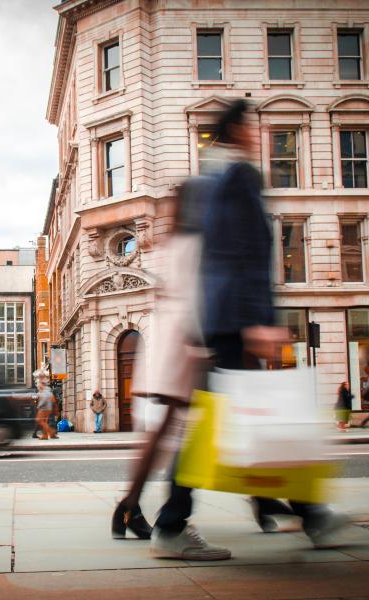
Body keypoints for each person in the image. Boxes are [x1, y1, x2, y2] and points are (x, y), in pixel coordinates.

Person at [150, 99, 347, 559]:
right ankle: (173, 524)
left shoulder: (211, 179)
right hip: (238, 321)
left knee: (233, 421)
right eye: (254, 127)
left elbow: (212, 258)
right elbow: (245, 253)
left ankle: (310, 513)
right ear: (238, 131)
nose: (259, 136)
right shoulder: (239, 178)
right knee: (229, 424)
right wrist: (260, 320)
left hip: (220, 320)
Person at [111, 179, 211, 542]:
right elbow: (195, 300)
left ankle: (128, 508)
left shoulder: (177, 241)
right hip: (183, 345)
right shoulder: (196, 243)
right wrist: (202, 350)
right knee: (175, 436)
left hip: (169, 344)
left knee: (163, 436)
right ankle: (140, 511)